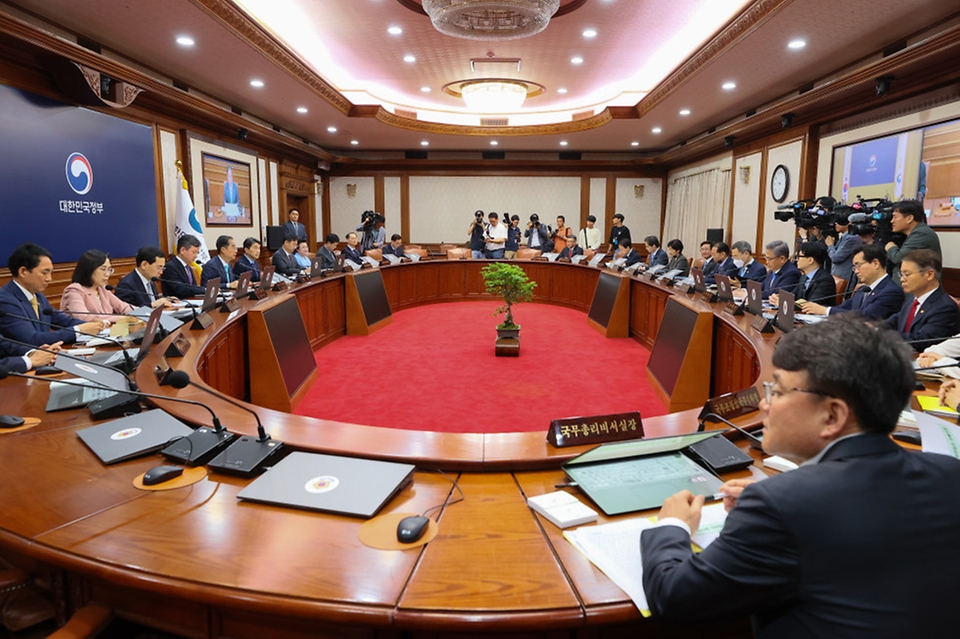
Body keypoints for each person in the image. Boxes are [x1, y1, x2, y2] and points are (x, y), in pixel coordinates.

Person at [640, 313, 960, 637]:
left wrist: (673, 525)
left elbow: (675, 599)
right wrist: (786, 492)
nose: (764, 404)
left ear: (832, 415)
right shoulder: (949, 473)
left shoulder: (781, 504)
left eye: (776, 392)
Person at [0, 243, 103, 346]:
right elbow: (32, 339)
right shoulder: (5, 300)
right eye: (45, 273)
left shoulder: (38, 296)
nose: (49, 278)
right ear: (23, 272)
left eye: (51, 273)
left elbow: (63, 321)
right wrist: (79, 330)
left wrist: (91, 325)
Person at [801, 244, 903, 320]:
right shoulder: (863, 289)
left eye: (858, 266)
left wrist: (825, 311)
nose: (856, 271)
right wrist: (818, 310)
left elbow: (865, 317)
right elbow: (843, 308)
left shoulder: (891, 292)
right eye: (854, 267)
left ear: (876, 263)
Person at [885, 248, 958, 350]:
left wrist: (883, 337)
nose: (902, 279)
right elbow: (892, 323)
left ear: (929, 274)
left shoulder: (945, 307)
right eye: (901, 274)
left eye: (907, 274)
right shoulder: (911, 301)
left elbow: (921, 340)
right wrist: (871, 329)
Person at [61, 250, 134, 322]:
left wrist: (142, 313)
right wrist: (121, 318)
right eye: (103, 269)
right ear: (89, 269)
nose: (107, 274)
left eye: (109, 269)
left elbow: (123, 307)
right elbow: (83, 317)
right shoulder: (74, 290)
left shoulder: (102, 288)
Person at [885, 199, 941, 285]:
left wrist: (890, 247)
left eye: (895, 217)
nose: (892, 221)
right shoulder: (913, 233)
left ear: (909, 218)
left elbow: (898, 258)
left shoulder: (922, 233)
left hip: (919, 291)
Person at [771, 242, 835, 308]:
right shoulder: (804, 277)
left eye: (799, 256)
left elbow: (811, 305)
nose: (797, 259)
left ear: (810, 260)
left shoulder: (825, 280)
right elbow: (793, 295)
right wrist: (781, 298)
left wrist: (783, 303)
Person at [162, 234, 206, 299]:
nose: (196, 256)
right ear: (182, 250)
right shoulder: (170, 267)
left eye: (197, 253)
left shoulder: (188, 266)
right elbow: (180, 290)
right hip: (177, 304)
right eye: (193, 252)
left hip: (191, 301)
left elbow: (193, 286)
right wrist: (204, 290)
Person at [825, 211, 863, 285]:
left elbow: (836, 258)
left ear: (849, 223)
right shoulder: (844, 236)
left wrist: (830, 245)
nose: (836, 223)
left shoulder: (851, 238)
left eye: (840, 221)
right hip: (837, 276)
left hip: (845, 278)